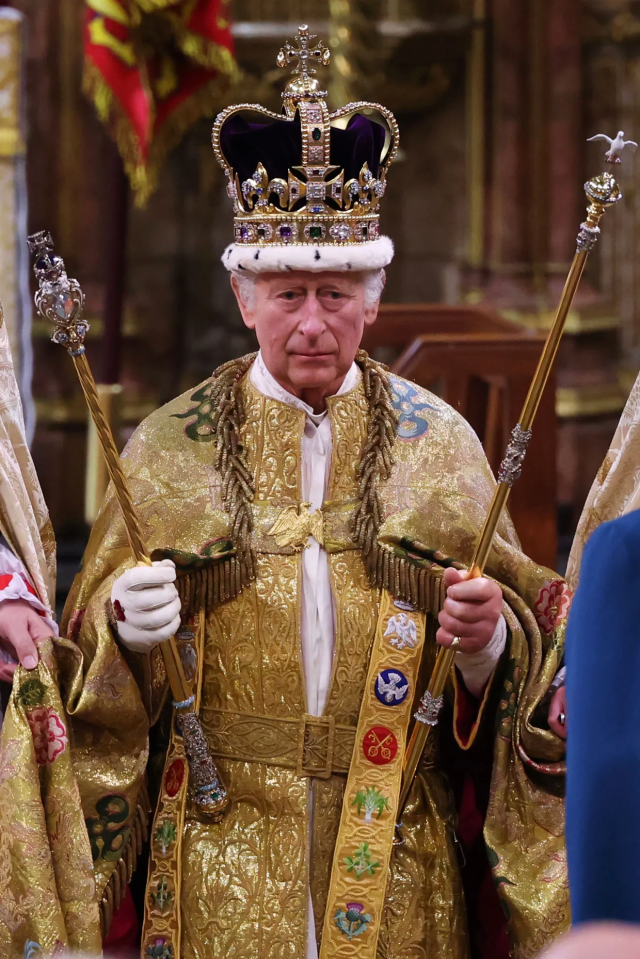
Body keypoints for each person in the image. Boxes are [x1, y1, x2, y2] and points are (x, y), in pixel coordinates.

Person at [0, 27, 569, 959]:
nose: (313, 321)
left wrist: (489, 644)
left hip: (398, 858)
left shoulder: (443, 445)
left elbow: (522, 655)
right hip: (220, 849)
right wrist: (123, 633)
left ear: (375, 298)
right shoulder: (167, 449)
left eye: (338, 293)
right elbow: (82, 678)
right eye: (290, 292)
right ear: (244, 299)